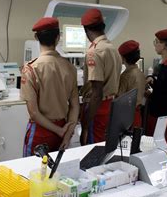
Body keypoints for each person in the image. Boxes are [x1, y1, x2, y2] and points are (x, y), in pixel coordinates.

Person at [20, 17, 79, 156]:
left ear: (36, 37)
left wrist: (60, 131)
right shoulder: (70, 68)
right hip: (62, 129)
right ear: (58, 38)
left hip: (41, 131)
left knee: (32, 174)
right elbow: (75, 105)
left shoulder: (31, 69)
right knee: (56, 175)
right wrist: (67, 132)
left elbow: (34, 113)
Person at [80, 8, 122, 145]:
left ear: (86, 30)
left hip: (97, 108)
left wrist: (85, 123)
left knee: (93, 148)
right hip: (110, 105)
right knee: (104, 145)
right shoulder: (112, 48)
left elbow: (96, 92)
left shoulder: (95, 51)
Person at [117, 40, 146, 128]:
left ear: (123, 58)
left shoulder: (126, 76)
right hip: (137, 114)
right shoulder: (140, 73)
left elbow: (119, 98)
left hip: (127, 116)